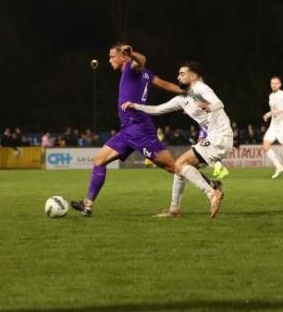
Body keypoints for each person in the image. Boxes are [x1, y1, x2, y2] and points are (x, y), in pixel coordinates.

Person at [70, 43, 183, 217]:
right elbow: (164, 84)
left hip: (139, 128)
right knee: (99, 160)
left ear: (123, 57)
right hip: (127, 130)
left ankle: (211, 185)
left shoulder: (131, 67)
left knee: (173, 167)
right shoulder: (143, 74)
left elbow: (142, 60)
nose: (109, 60)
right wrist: (184, 92)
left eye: (112, 56)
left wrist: (132, 54)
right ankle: (87, 205)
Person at [122, 61, 231, 218]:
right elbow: (158, 110)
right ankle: (175, 209)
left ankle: (212, 193)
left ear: (193, 75)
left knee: (179, 164)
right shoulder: (183, 99)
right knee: (180, 168)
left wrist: (210, 107)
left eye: (182, 73)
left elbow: (219, 103)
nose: (178, 76)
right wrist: (135, 105)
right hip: (215, 137)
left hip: (220, 135)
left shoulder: (200, 87)